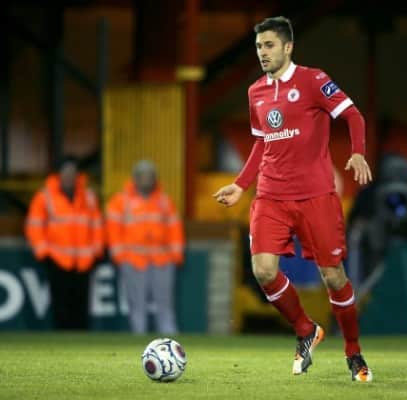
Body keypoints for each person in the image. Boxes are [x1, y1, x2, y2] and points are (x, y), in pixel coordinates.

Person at [213, 16, 373, 382]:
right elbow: (261, 143)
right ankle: (305, 329)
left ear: (288, 47)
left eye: (269, 45)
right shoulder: (255, 92)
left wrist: (358, 152)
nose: (262, 53)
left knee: (333, 276)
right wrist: (241, 184)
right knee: (263, 270)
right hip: (271, 195)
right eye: (258, 47)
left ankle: (353, 352)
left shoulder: (314, 80)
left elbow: (353, 115)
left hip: (316, 196)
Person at [106, 160, 185, 334]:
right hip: (134, 260)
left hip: (162, 260)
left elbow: (175, 230)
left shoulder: (164, 201)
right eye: (143, 176)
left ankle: (170, 339)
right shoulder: (121, 201)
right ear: (135, 178)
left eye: (150, 176)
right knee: (137, 305)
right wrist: (120, 257)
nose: (147, 180)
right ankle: (139, 338)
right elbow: (114, 231)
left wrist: (176, 255)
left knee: (165, 305)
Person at [24, 156, 103, 330]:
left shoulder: (88, 196)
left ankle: (81, 338)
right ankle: (62, 337)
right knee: (60, 304)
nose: (69, 176)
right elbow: (34, 226)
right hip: (57, 258)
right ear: (58, 174)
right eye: (66, 172)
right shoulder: (45, 196)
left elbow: (97, 226)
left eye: (72, 172)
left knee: (81, 305)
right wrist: (44, 253)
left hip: (84, 261)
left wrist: (97, 252)